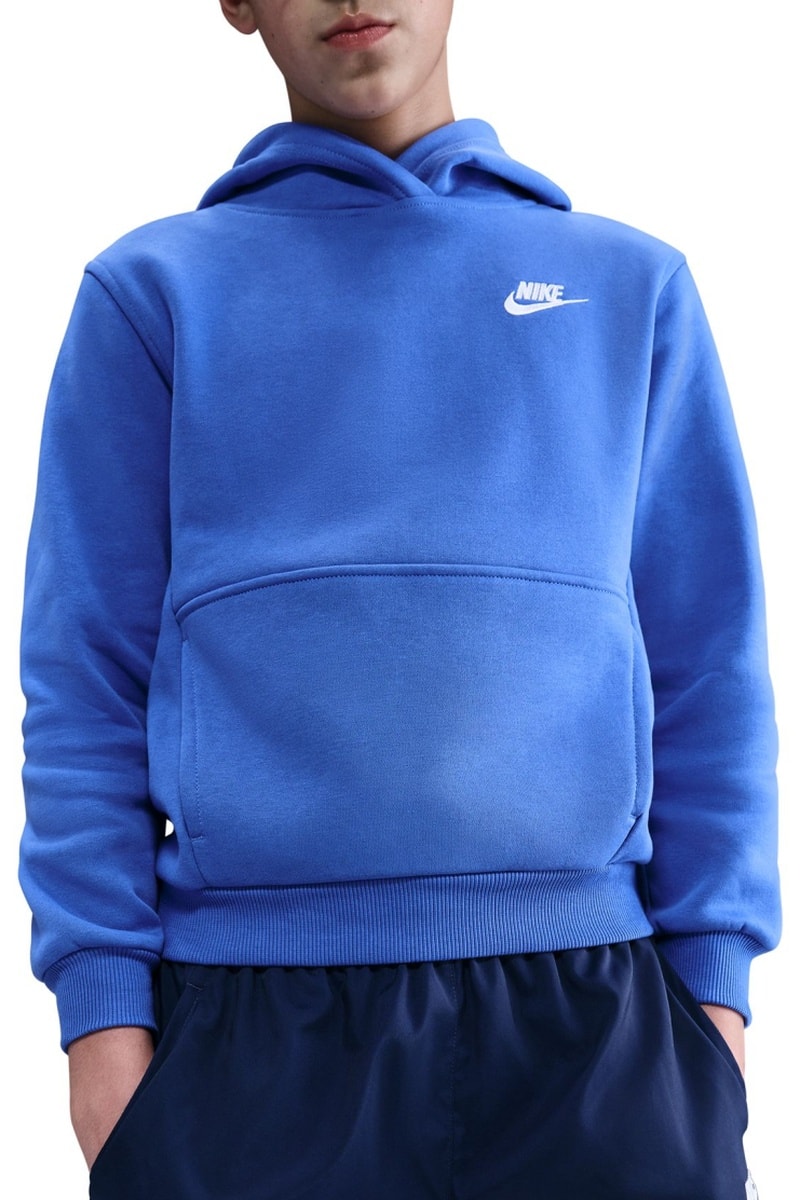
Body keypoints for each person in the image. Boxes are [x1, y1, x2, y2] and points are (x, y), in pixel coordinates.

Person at [19, 2, 780, 1197]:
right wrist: (102, 1023)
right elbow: (84, 679)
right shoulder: (152, 293)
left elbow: (707, 664)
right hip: (249, 1027)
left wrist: (713, 998)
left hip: (599, 1022)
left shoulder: (628, 285)